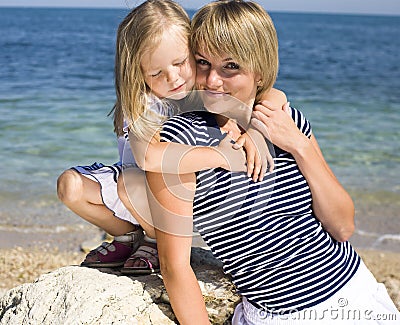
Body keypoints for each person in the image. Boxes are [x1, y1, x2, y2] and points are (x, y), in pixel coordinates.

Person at [141, 1, 400, 323]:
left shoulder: (285, 119)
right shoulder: (182, 140)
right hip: (276, 314)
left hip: (354, 293)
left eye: (230, 67)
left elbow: (343, 227)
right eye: (203, 63)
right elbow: (174, 265)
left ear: (259, 69)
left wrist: (299, 146)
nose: (212, 81)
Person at [57, 0, 285, 272]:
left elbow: (273, 93)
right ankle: (129, 235)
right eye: (157, 72)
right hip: (136, 187)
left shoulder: (205, 90)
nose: (174, 78)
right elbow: (147, 156)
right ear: (137, 73)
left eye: (180, 62)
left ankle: (157, 239)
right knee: (70, 185)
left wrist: (258, 130)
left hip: (178, 195)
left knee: (131, 181)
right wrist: (218, 155)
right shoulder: (144, 103)